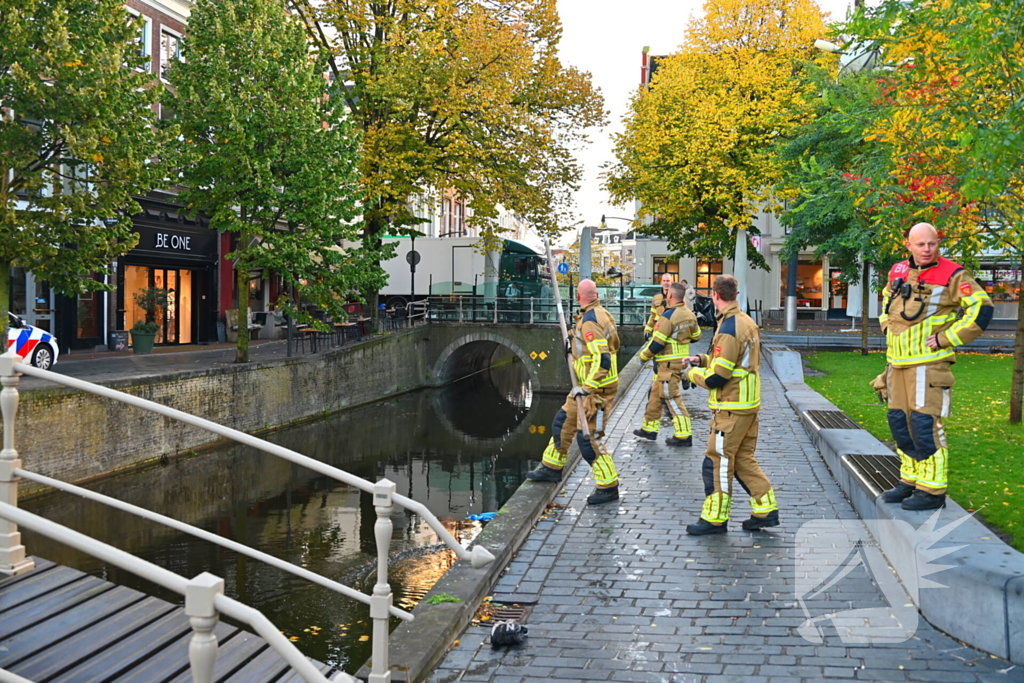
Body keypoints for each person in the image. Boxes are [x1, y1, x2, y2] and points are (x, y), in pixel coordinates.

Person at [874, 223, 993, 511]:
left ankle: (932, 491)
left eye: (932, 243)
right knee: (900, 425)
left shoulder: (954, 274)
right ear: (908, 245)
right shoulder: (898, 271)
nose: (927, 249)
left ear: (938, 243)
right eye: (920, 244)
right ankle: (910, 480)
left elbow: (982, 308)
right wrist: (885, 325)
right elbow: (887, 300)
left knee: (924, 426)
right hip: (897, 364)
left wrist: (946, 338)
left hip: (928, 365)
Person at [685, 274, 779, 535]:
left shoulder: (728, 328)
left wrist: (690, 374)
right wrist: (701, 360)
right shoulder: (745, 321)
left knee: (717, 462)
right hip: (747, 406)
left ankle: (715, 519)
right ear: (735, 295)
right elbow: (733, 361)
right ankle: (765, 510)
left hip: (731, 408)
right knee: (743, 459)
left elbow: (718, 377)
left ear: (715, 295)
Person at [526, 279, 621, 505]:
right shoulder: (598, 314)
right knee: (563, 422)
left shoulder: (590, 321)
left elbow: (603, 358)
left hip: (595, 391)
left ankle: (608, 486)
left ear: (578, 297)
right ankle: (551, 467)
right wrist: (571, 340)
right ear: (596, 294)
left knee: (590, 440)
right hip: (584, 387)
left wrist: (587, 389)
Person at [634, 282, 701, 446]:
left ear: (670, 295)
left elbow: (657, 343)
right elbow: (697, 336)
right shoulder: (689, 314)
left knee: (671, 398)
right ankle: (649, 429)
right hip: (681, 362)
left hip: (668, 364)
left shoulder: (668, 316)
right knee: (655, 394)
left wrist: (643, 357)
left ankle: (684, 435)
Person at [643, 273, 674, 339]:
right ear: (661, 282)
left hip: (672, 331)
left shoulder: (676, 297)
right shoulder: (656, 297)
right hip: (658, 331)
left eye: (668, 281)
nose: (666, 283)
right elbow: (652, 315)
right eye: (664, 281)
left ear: (672, 282)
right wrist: (647, 330)